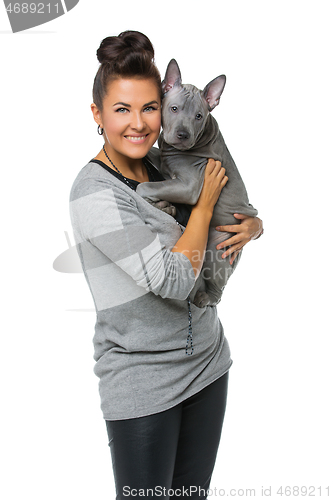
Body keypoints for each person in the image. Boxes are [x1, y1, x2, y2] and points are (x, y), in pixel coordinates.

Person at [69, 30, 263, 499]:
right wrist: (203, 204)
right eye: (121, 109)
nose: (138, 124)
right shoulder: (95, 193)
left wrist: (254, 224)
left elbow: (226, 203)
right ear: (97, 114)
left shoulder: (164, 163)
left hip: (208, 365)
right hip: (144, 387)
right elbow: (175, 280)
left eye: (149, 107)